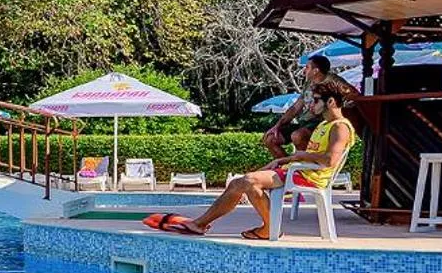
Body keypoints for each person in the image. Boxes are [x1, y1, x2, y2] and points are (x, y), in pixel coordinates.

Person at [150, 80, 355, 240]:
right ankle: (203, 223)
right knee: (240, 182)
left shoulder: (340, 127)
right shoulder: (323, 125)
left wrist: (298, 156)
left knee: (249, 181)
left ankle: (262, 228)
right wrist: (285, 160)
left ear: (330, 102)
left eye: (316, 100)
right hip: (298, 169)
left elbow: (330, 161)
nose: (311, 104)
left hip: (309, 177)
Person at [264, 54, 333, 158]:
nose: (304, 71)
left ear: (316, 71)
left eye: (307, 67)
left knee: (298, 136)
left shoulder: (330, 85)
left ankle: (306, 167)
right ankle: (287, 168)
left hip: (321, 126)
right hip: (304, 123)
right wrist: (277, 125)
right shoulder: (308, 84)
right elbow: (296, 107)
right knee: (271, 138)